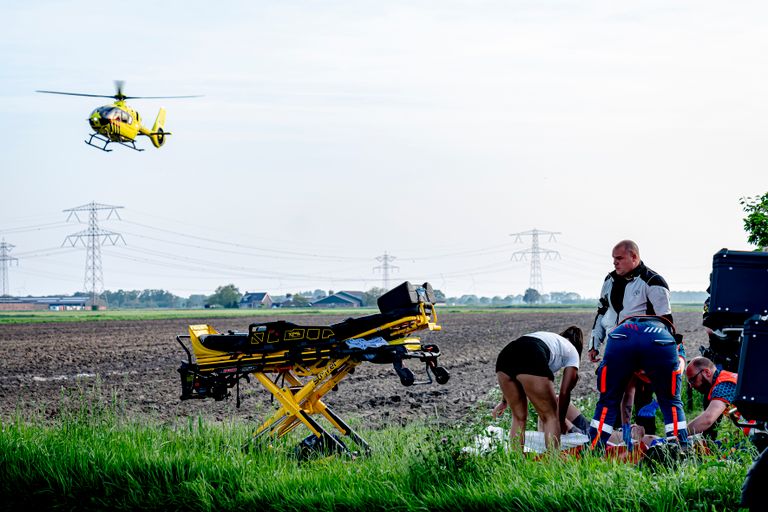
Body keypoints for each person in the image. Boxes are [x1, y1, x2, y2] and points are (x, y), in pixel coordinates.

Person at [588, 240, 674, 435]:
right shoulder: (609, 280)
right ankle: (613, 442)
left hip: (645, 351)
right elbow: (602, 313)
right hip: (616, 348)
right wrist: (595, 344)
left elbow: (666, 321)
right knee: (611, 395)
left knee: (644, 399)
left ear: (634, 257)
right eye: (613, 259)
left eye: (619, 259)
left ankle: (648, 443)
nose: (615, 263)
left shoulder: (654, 282)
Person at [588, 315, 688, 449]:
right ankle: (680, 449)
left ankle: (594, 448)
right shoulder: (678, 351)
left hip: (621, 335)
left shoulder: (632, 365)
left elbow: (627, 396)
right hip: (659, 339)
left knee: (608, 401)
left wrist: (626, 429)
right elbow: (676, 375)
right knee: (671, 402)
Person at [493, 326, 583, 451]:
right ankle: (554, 463)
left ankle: (515, 462)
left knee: (518, 417)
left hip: (505, 356)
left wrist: (504, 401)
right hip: (532, 354)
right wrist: (560, 420)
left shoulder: (550, 339)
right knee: (550, 417)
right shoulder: (573, 351)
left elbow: (518, 359)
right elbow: (564, 392)